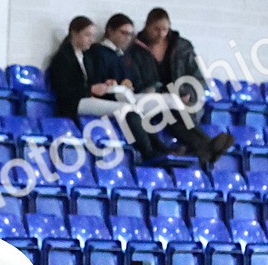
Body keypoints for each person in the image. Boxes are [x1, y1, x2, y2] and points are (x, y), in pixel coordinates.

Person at [94, 13, 233, 166]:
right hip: (135, 97)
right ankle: (205, 146)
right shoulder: (121, 51)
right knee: (171, 108)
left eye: (129, 34)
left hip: (145, 95)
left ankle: (205, 146)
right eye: (123, 33)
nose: (127, 38)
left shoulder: (125, 53)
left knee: (174, 114)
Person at [46, 15, 171, 162]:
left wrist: (107, 84)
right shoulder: (62, 58)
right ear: (74, 33)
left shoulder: (85, 57)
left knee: (134, 107)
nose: (91, 40)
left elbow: (91, 81)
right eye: (87, 35)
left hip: (87, 98)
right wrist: (91, 90)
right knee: (125, 108)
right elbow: (64, 90)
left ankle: (156, 146)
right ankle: (147, 151)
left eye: (92, 35)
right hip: (74, 103)